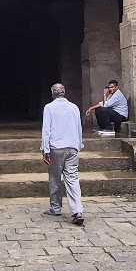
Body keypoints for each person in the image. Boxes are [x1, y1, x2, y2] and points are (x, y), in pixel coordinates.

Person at [40, 82, 84, 226]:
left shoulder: (49, 107)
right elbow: (79, 127)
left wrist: (45, 149)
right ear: (64, 92)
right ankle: (77, 210)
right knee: (72, 178)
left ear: (53, 93)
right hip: (72, 147)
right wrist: (79, 145)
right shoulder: (74, 107)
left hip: (56, 148)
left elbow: (46, 130)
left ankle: (55, 207)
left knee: (55, 178)